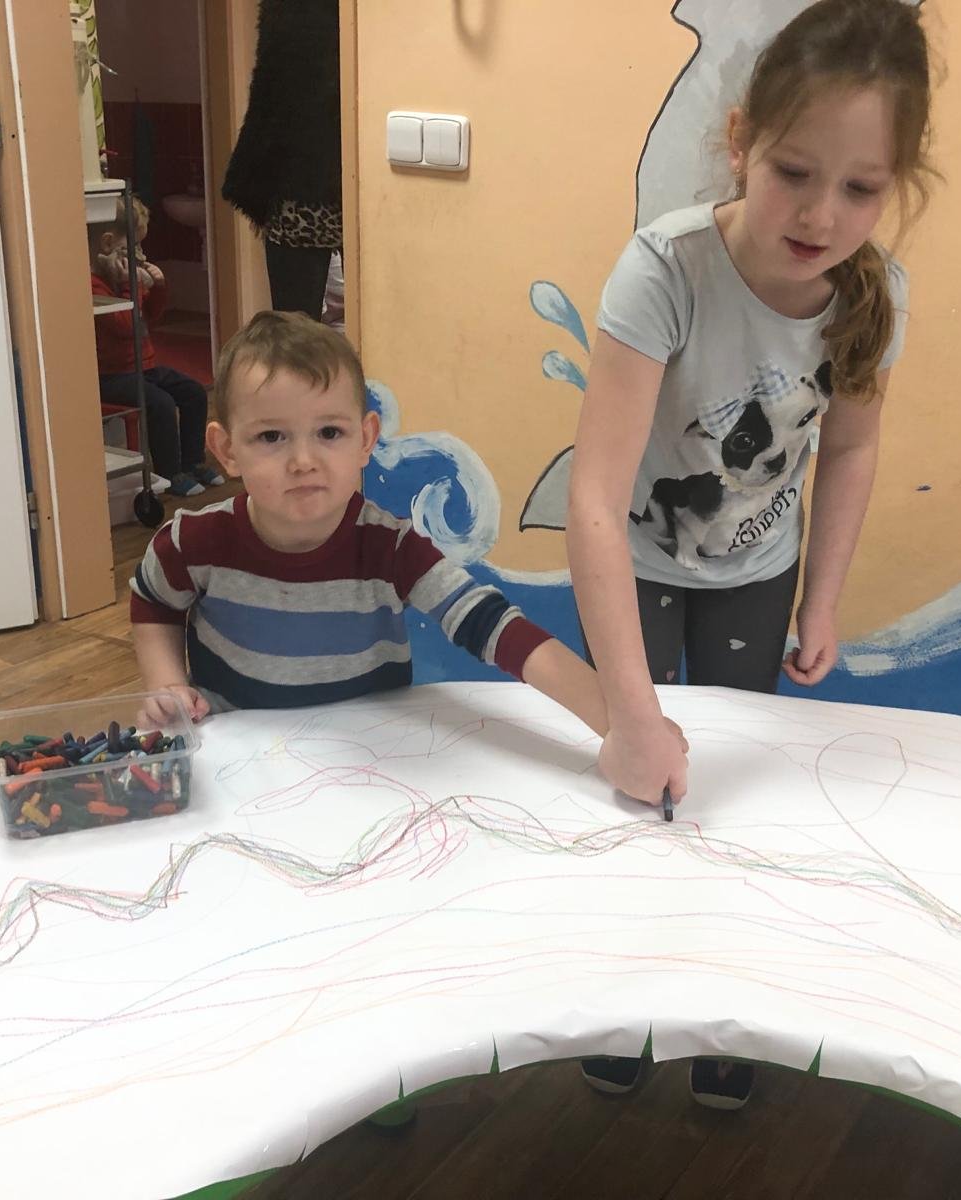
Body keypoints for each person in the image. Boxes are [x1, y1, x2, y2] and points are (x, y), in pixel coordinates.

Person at [566, 0, 937, 1109]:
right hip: (636, 569)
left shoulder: (874, 293)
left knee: (727, 797)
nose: (821, 214)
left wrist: (822, 601)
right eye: (793, 173)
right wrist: (632, 716)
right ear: (740, 142)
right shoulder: (664, 270)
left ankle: (717, 1009)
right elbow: (594, 496)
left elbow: (852, 450)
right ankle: (627, 1007)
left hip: (755, 574)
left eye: (861, 188)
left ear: (895, 185)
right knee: (635, 781)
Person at [129, 312, 664, 763]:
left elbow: (494, 626)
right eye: (271, 436)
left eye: (329, 432)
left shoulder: (391, 547)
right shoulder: (191, 542)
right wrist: (168, 683)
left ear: (366, 438)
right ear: (226, 450)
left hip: (372, 760)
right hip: (242, 761)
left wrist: (620, 727)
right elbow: (152, 602)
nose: (303, 460)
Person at [92, 197, 224, 497]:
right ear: (108, 244)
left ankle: (193, 462)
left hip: (143, 367)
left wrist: (158, 287)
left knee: (193, 392)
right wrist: (132, 286)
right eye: (132, 246)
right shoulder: (95, 285)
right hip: (111, 376)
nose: (139, 254)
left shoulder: (123, 280)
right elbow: (125, 326)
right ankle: (170, 472)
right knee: (160, 404)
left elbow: (149, 318)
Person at [220, 0, 343, 320]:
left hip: (300, 177)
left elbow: (270, 94)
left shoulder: (288, 14)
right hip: (307, 177)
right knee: (298, 326)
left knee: (295, 326)